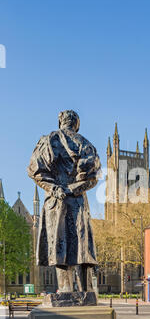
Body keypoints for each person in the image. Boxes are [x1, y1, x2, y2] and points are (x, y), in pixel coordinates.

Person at [27, 110, 101, 293]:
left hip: (56, 200)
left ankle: (65, 289)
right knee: (82, 245)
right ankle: (87, 291)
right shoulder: (85, 145)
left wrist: (54, 188)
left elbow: (35, 172)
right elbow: (92, 178)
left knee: (59, 243)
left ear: (60, 122)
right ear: (77, 124)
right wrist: (73, 189)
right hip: (77, 201)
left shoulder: (48, 141)